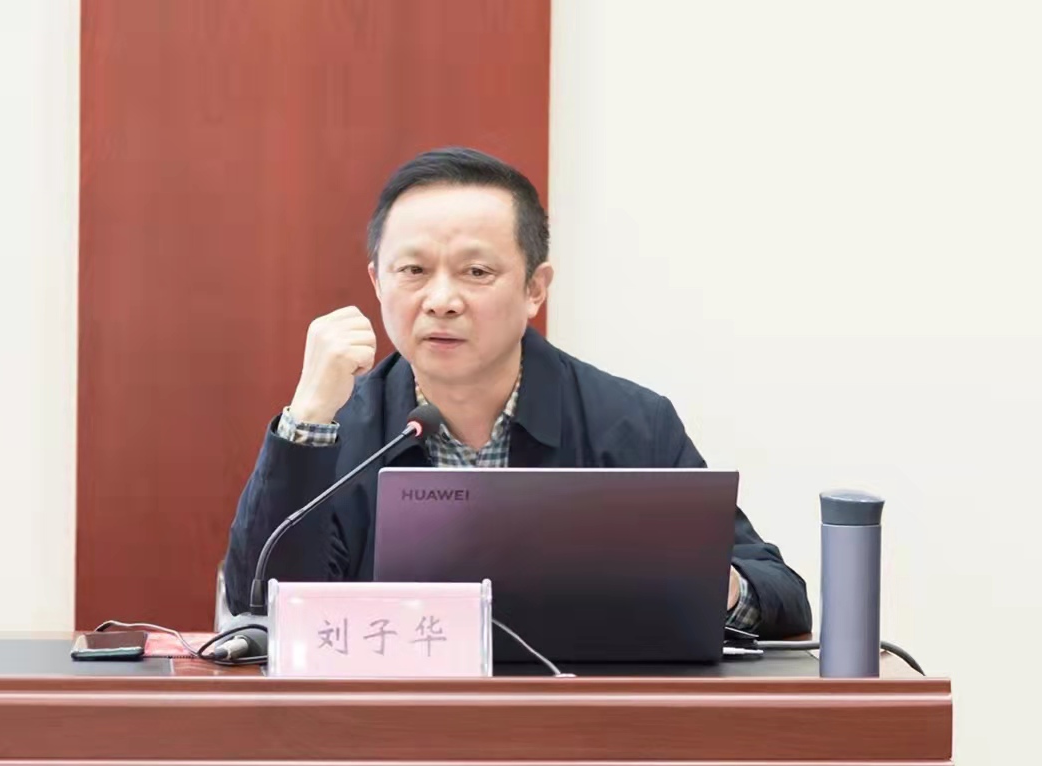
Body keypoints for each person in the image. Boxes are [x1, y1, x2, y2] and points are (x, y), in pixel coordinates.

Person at [223, 146, 812, 639]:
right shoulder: (338, 431)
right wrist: (306, 418)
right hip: (388, 726)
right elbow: (257, 608)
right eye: (414, 271)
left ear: (535, 288)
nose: (442, 300)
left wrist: (710, 584)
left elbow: (783, 598)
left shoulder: (628, 424)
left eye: (476, 272)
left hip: (576, 725)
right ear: (378, 281)